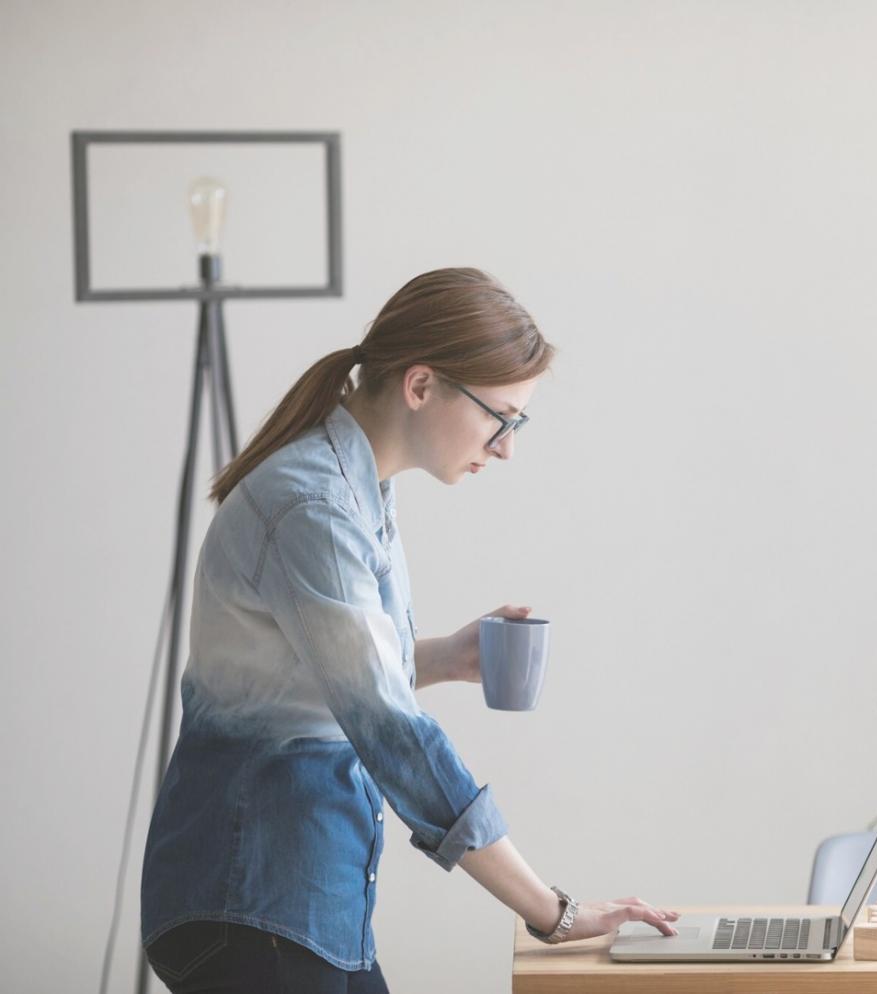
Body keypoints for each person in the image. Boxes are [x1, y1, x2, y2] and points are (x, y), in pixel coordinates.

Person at [140, 268, 678, 992]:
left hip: (301, 902)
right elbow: (392, 732)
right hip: (251, 900)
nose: (508, 446)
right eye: (502, 417)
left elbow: (307, 679)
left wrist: (447, 657)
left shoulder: (361, 491)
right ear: (421, 386)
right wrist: (553, 912)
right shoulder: (314, 507)